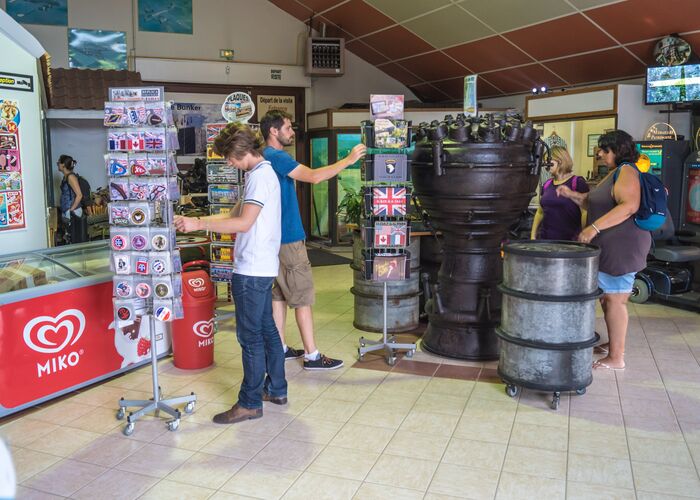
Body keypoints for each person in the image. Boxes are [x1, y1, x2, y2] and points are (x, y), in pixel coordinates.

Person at [174, 123, 287, 424]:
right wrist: (193, 220)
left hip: (251, 270)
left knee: (250, 338)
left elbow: (243, 223)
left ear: (240, 151)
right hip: (261, 267)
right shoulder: (259, 175)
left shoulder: (260, 177)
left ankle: (249, 402)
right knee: (266, 330)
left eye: (228, 156)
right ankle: (276, 388)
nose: (227, 163)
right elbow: (233, 215)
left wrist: (199, 226)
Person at [261, 110, 367, 370]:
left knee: (279, 295)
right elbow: (315, 176)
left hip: (271, 239)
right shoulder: (277, 156)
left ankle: (280, 349)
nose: (291, 132)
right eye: (287, 128)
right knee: (302, 296)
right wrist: (349, 159)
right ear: (273, 131)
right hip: (289, 238)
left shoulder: (262, 156)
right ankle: (312, 355)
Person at [557, 130, 652, 371]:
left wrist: (593, 228)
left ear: (617, 150)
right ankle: (613, 345)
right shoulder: (613, 174)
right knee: (606, 297)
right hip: (610, 246)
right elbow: (593, 201)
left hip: (623, 246)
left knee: (615, 299)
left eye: (604, 149)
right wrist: (572, 195)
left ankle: (617, 357)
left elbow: (630, 206)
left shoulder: (627, 171)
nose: (599, 153)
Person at [531, 146, 589, 241]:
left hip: (569, 241)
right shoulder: (547, 184)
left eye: (549, 161)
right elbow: (540, 212)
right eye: (545, 162)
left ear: (560, 161)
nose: (546, 165)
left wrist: (583, 236)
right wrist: (533, 236)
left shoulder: (577, 182)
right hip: (545, 241)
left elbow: (585, 212)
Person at [57, 154, 88, 244]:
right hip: (69, 211)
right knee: (71, 238)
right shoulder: (66, 177)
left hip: (73, 212)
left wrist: (71, 210)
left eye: (58, 162)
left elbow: (79, 195)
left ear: (63, 165)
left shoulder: (71, 177)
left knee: (76, 239)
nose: (58, 165)